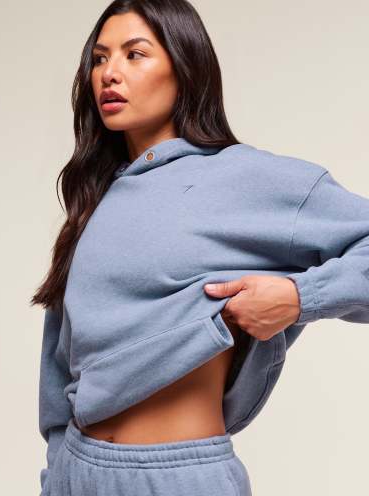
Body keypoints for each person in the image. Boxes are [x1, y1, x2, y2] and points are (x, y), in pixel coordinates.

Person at [31, 1, 369, 495]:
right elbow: (61, 364)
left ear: (185, 66)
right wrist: (56, 476)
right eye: (100, 58)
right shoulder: (95, 201)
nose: (109, 73)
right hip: (77, 474)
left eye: (135, 54)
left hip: (178, 478)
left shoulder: (243, 177)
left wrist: (300, 297)